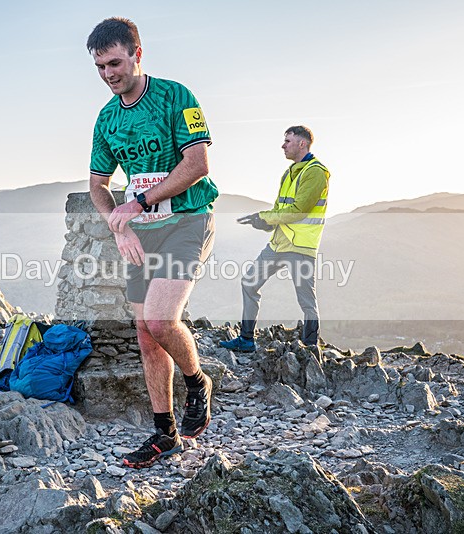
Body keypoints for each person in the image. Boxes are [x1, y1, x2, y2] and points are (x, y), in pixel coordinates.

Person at [86, 17, 218, 469]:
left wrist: (137, 203)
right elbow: (98, 186)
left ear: (137, 54)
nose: (108, 74)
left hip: (187, 220)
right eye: (100, 67)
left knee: (162, 320)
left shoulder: (175, 96)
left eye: (115, 62)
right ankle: (166, 434)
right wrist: (116, 223)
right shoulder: (106, 119)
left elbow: (196, 163)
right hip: (142, 232)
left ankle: (197, 381)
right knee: (144, 334)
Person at [221, 125, 330, 353]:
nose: (283, 145)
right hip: (278, 243)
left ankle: (310, 348)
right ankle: (247, 340)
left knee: (307, 301)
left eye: (288, 141)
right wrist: (262, 223)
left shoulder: (316, 172)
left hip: (300, 247)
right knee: (249, 282)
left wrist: (264, 218)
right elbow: (282, 209)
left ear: (302, 143)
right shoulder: (290, 172)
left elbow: (299, 210)